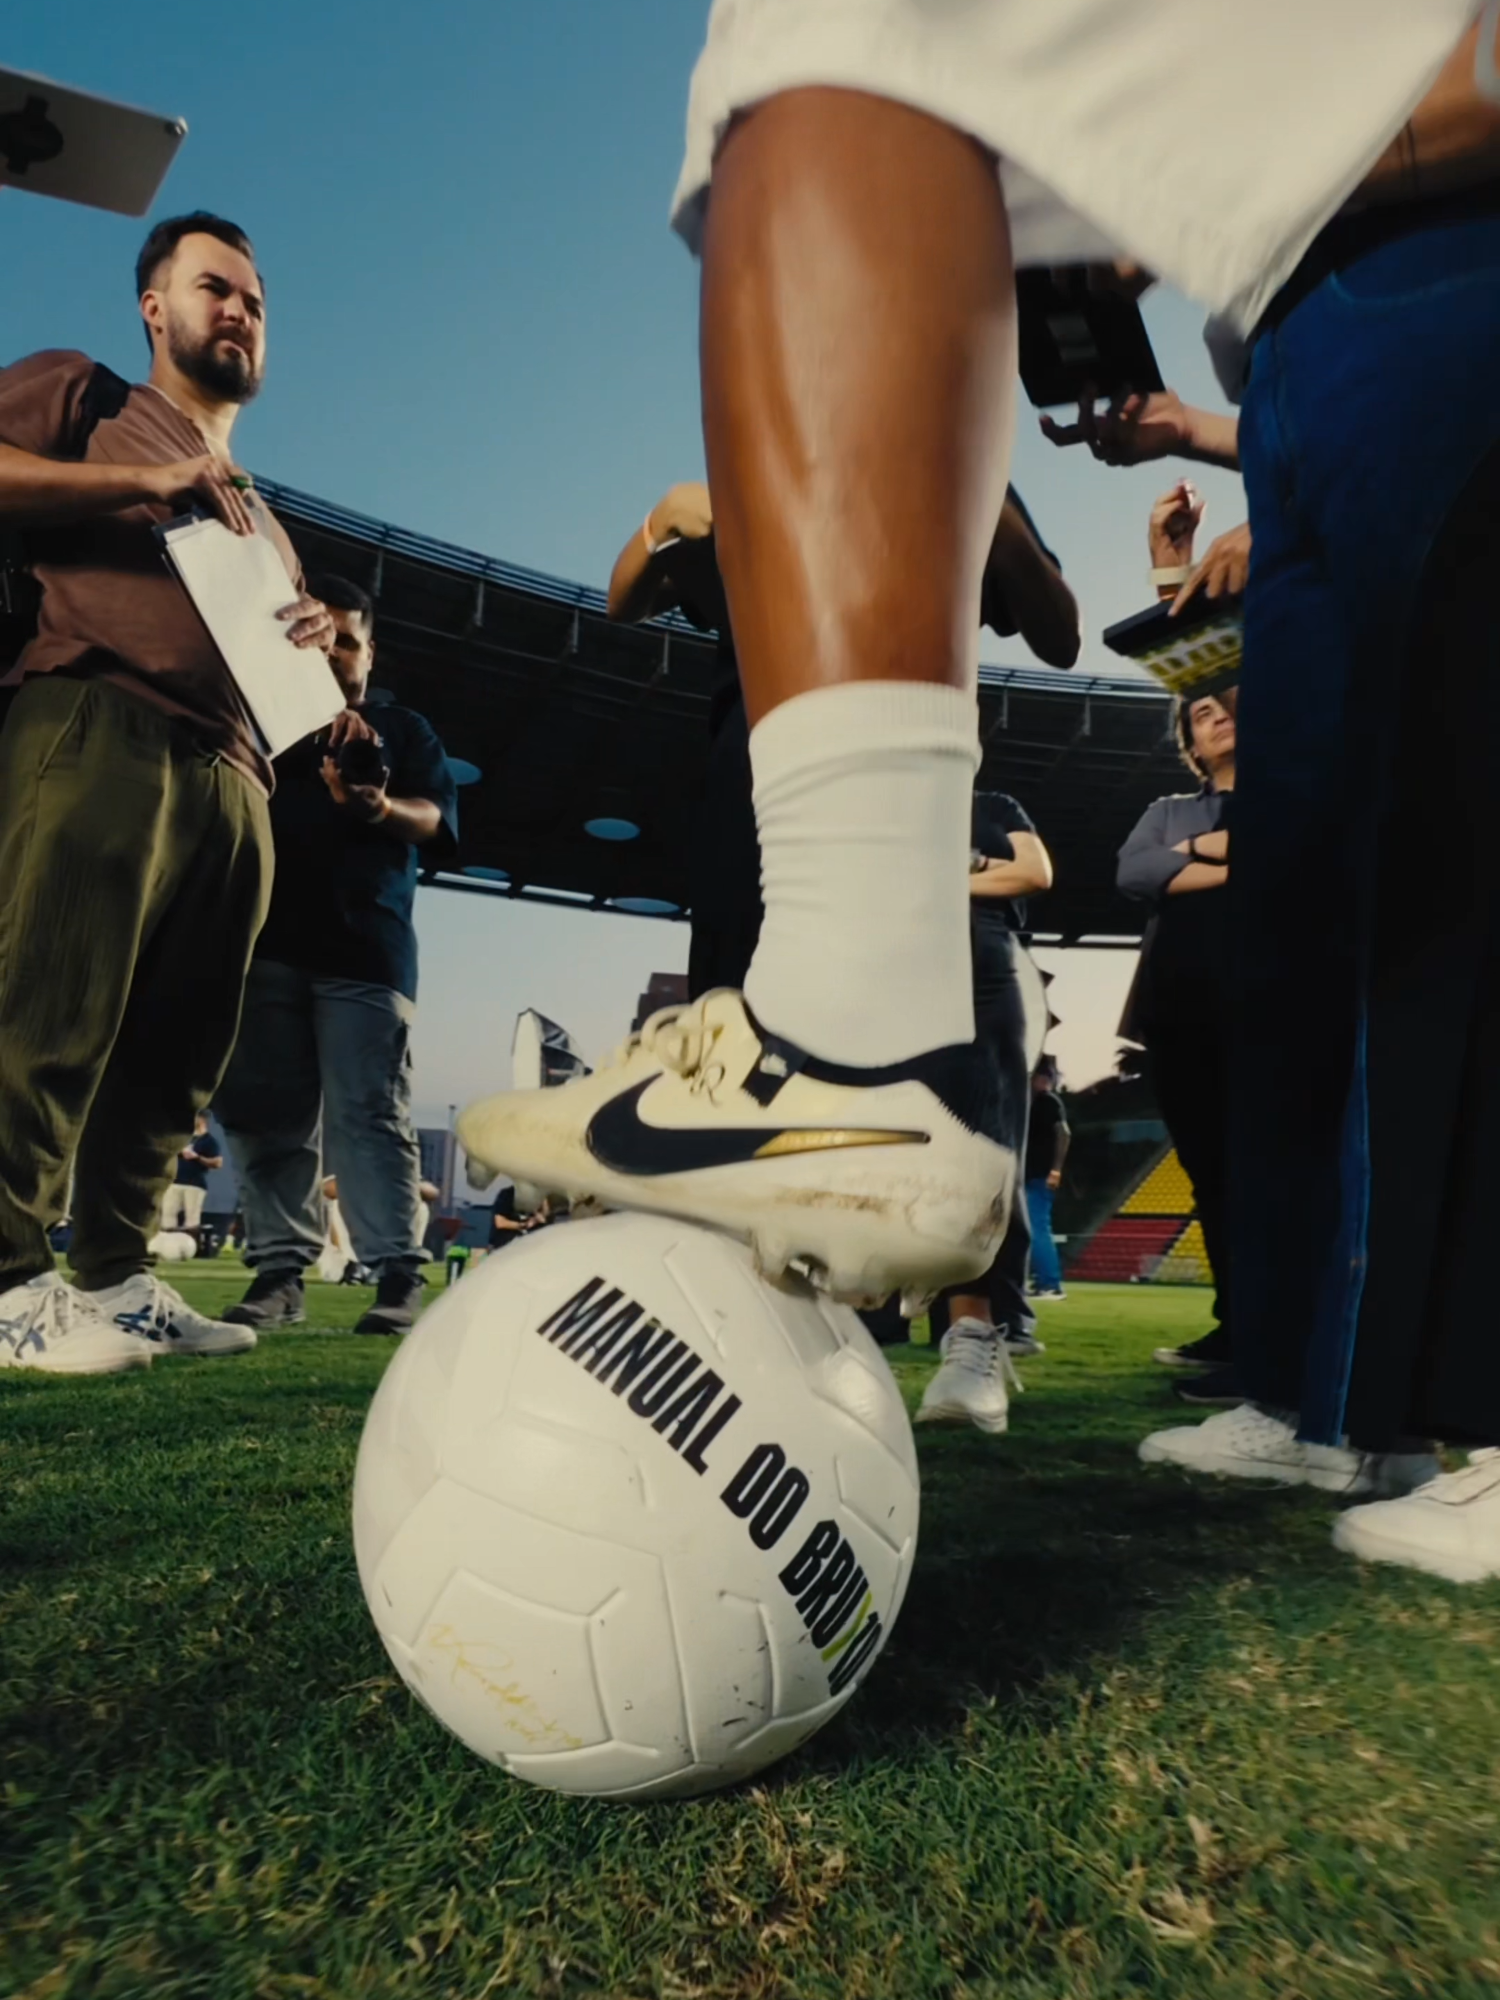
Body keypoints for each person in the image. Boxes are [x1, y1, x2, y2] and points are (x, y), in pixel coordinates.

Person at [459, 7, 1487, 1328]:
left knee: (844, 34)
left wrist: (1221, 175)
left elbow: (1065, 633)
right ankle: (844, 1047)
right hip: (1344, 371)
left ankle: (852, 1043)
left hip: (1403, 372)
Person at [0, 211, 346, 1375]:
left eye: (255, 298)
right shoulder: (86, 397)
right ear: (157, 308)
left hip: (239, 777)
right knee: (46, 1002)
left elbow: (312, 699)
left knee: (173, 1058)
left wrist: (337, 667)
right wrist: (153, 475)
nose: (241, 309)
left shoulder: (269, 520)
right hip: (103, 720)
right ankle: (2, 1282)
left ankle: (113, 1276)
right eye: (216, 288)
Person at [607, 479, 1077, 1000]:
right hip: (755, 794)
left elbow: (1061, 638)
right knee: (734, 1005)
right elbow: (624, 601)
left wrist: (995, 510)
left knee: (880, 1021)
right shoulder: (767, 457)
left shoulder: (952, 447)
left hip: (889, 796)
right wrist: (658, 525)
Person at [217, 576, 458, 1337]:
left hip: (366, 952)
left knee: (370, 1114)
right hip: (264, 946)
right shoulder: (255, 721)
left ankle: (395, 1274)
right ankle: (279, 1275)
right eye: (326, 637)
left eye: (350, 640)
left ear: (371, 651)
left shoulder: (403, 728)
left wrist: (376, 806)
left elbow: (437, 821)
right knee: (266, 1118)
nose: (336, 653)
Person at [1115, 486, 1239, 1399]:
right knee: (1209, 1177)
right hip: (1183, 1013)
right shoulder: (1170, 812)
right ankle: (1238, 1330)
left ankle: (1282, 1333)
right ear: (1190, 747)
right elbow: (1134, 875)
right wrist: (1212, 850)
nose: (1215, 715)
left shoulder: (1293, 779)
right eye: (1198, 715)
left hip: (1274, 1003)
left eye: (1227, 704)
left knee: (1271, 1168)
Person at [916, 794, 1054, 1434]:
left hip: (981, 955)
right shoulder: (875, 796)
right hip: (886, 962)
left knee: (981, 1143)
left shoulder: (991, 805)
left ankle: (977, 1331)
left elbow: (1033, 873)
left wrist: (939, 884)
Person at [1023, 1060, 1070, 1301]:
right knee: (1030, 1229)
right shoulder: (1031, 1104)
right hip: (1029, 1175)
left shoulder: (1049, 1102)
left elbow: (1063, 1133)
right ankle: (1040, 1281)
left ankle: (1050, 1284)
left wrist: (1056, 1170)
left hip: (1039, 1176)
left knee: (1038, 1228)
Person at [162, 1111, 222, 1239]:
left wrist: (197, 1157)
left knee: (192, 1219)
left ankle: (192, 1247)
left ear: (202, 1120)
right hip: (175, 1182)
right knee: (167, 1215)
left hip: (194, 1184)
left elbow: (217, 1163)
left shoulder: (209, 1141)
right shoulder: (184, 1138)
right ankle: (168, 1246)